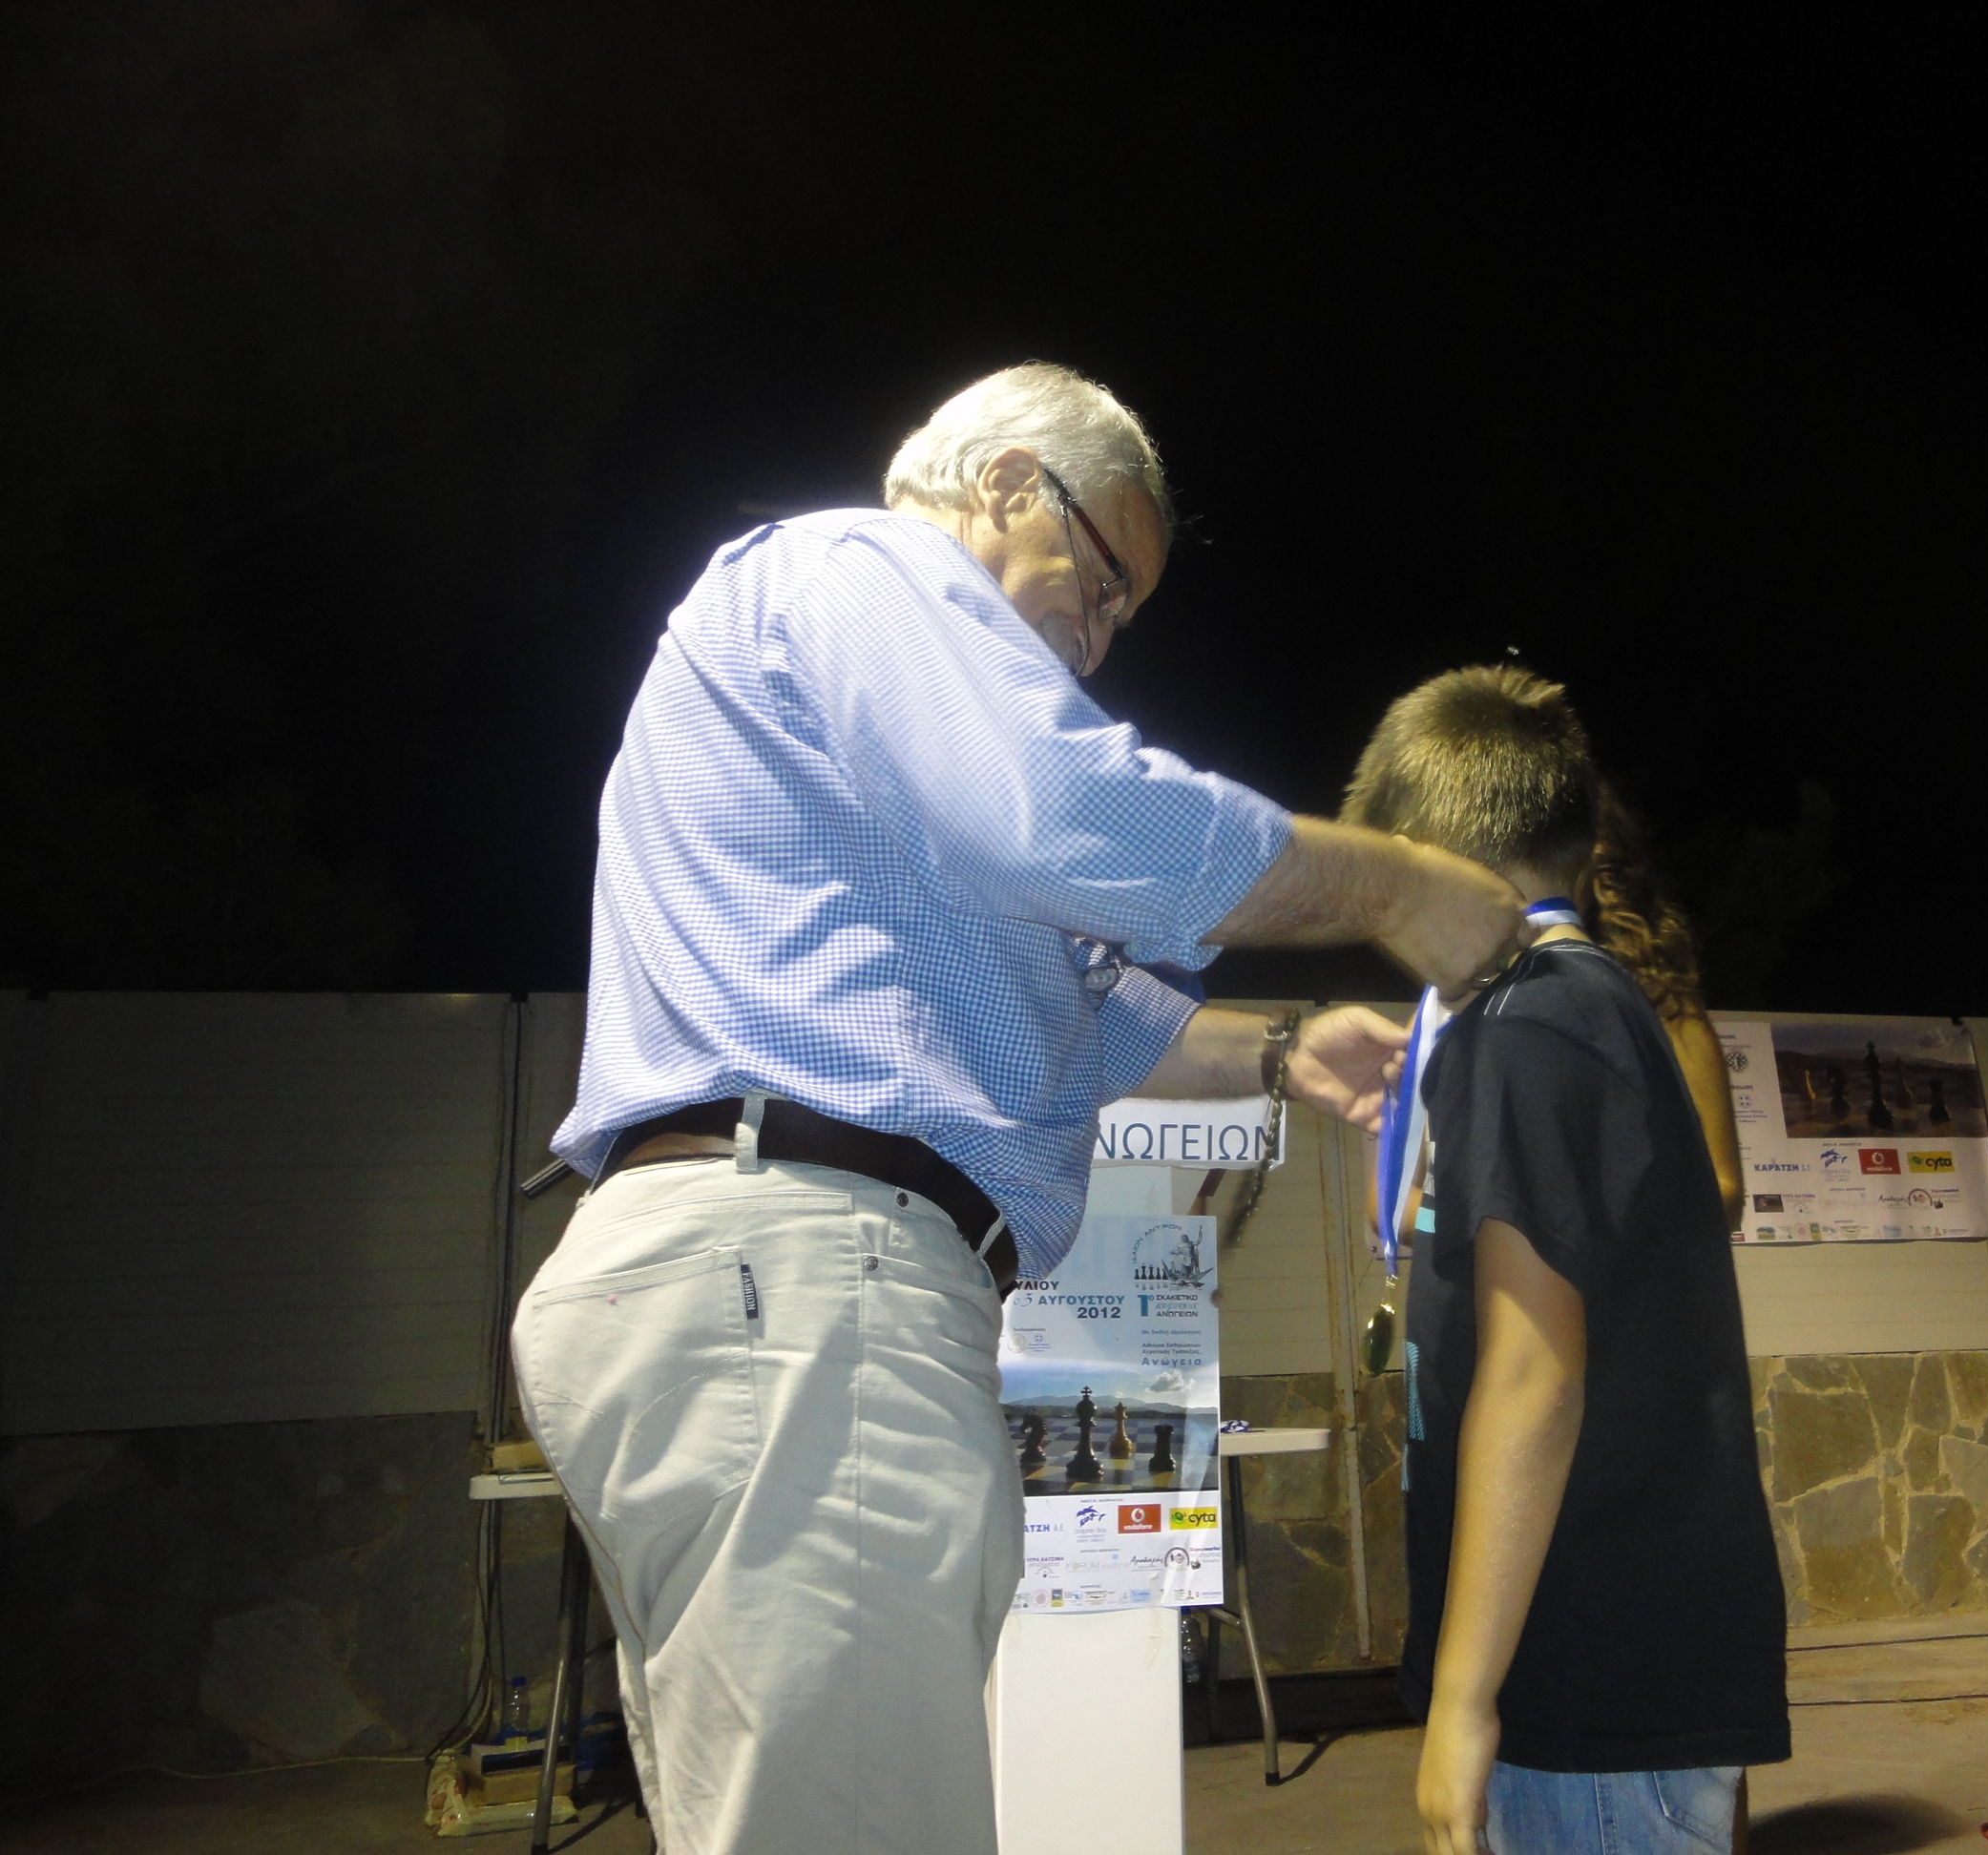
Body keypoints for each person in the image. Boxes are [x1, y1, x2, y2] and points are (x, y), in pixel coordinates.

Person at [510, 364, 1530, 1855]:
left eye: (1125, 615)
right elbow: (1058, 815)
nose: (1100, 638)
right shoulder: (859, 566)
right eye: (1102, 578)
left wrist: (1284, 1054)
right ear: (1001, 483)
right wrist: (1395, 884)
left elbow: (1070, 1008)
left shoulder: (869, 759)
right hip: (803, 1279)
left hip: (753, 1283)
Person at [1341, 665, 1789, 1855]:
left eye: (1378, 877)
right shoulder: (1576, 1005)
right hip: (1601, 1661)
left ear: (1427, 857)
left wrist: (1462, 1699)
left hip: (1582, 1681)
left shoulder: (1529, 1018)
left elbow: (1534, 1372)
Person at [1581, 786, 1745, 1229]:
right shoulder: (1473, 993)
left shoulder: (1660, 997)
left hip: (1624, 1268)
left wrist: (1576, 1222)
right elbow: (1408, 1205)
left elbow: (1724, 1190)